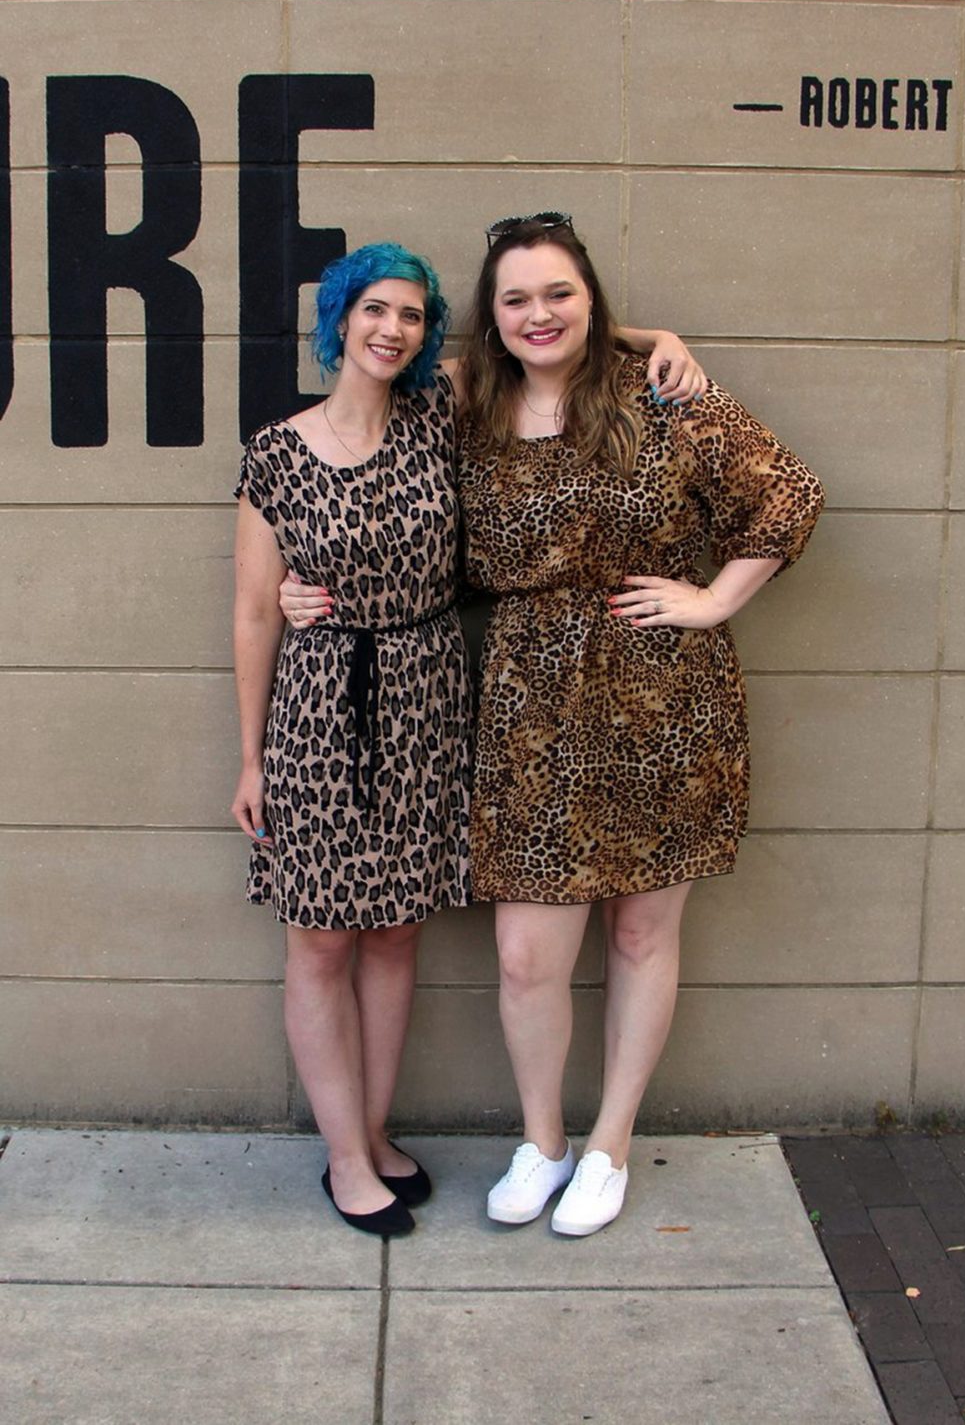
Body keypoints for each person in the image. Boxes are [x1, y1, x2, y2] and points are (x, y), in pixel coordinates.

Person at [234, 237, 702, 1239]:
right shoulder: (276, 450)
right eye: (373, 311)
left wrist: (653, 336)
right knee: (320, 936)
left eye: (409, 314)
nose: (391, 329)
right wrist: (249, 756)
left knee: (397, 926)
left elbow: (535, 334)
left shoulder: (439, 411)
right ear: (340, 321)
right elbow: (250, 615)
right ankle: (346, 1157)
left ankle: (373, 1129)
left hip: (428, 697)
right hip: (317, 707)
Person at [454, 214, 824, 1238]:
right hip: (528, 702)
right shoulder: (467, 407)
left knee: (638, 930)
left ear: (590, 296)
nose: (540, 313)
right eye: (516, 297)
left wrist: (711, 601)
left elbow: (787, 494)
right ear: (491, 316)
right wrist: (639, 324)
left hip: (663, 694)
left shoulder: (661, 399)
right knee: (528, 952)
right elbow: (392, 358)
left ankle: (610, 1141)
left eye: (560, 292)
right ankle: (542, 1140)